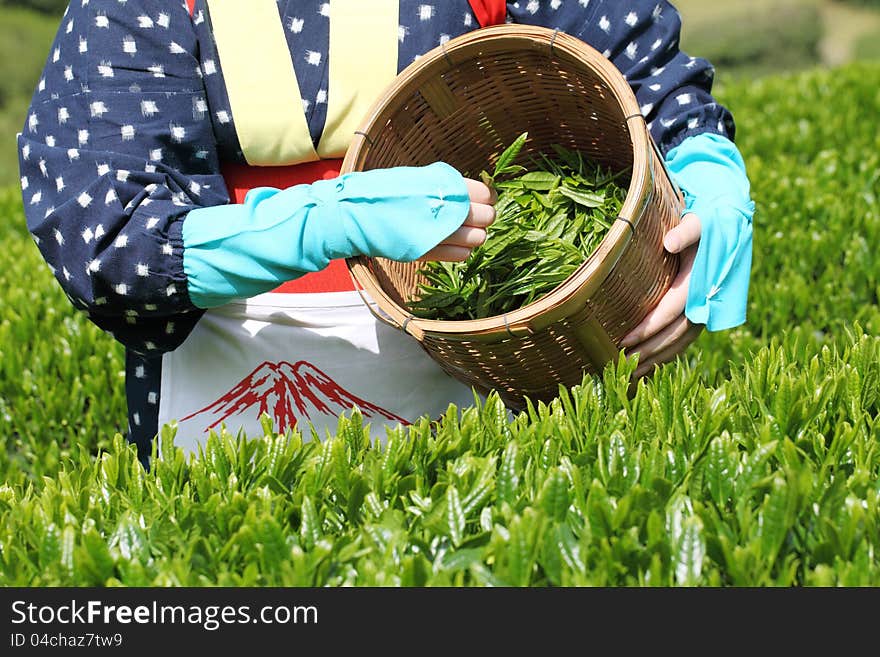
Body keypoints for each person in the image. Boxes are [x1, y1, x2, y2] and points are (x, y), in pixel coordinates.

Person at [18, 0, 754, 466]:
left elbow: (634, 69)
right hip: (226, 406)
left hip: (492, 383)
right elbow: (113, 248)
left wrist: (702, 167)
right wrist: (324, 222)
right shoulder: (137, 10)